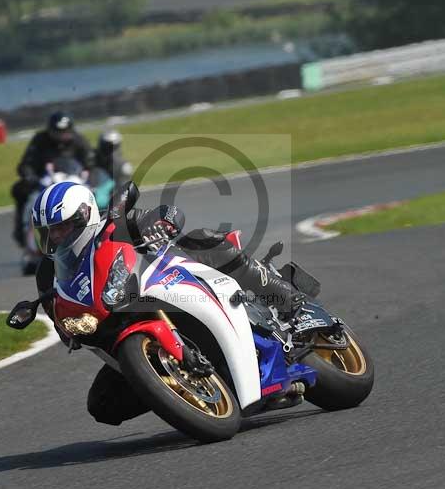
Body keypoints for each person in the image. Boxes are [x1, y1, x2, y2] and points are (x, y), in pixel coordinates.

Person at [27, 181, 305, 426]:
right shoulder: (47, 271)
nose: (56, 237)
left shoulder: (113, 224)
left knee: (204, 240)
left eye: (61, 227)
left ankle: (289, 301)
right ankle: (176, 392)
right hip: (115, 323)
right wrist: (68, 330)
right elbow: (57, 313)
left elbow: (170, 214)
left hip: (171, 284)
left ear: (83, 216)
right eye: (49, 231)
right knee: (102, 405)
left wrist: (160, 227)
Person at [10, 111, 94, 246]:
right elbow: (26, 164)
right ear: (50, 131)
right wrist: (31, 177)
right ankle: (22, 231)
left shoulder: (79, 141)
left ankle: (103, 228)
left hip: (74, 182)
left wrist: (89, 175)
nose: (61, 137)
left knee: (100, 195)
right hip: (45, 183)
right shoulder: (39, 141)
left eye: (65, 133)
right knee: (18, 190)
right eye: (58, 133)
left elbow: (91, 161)